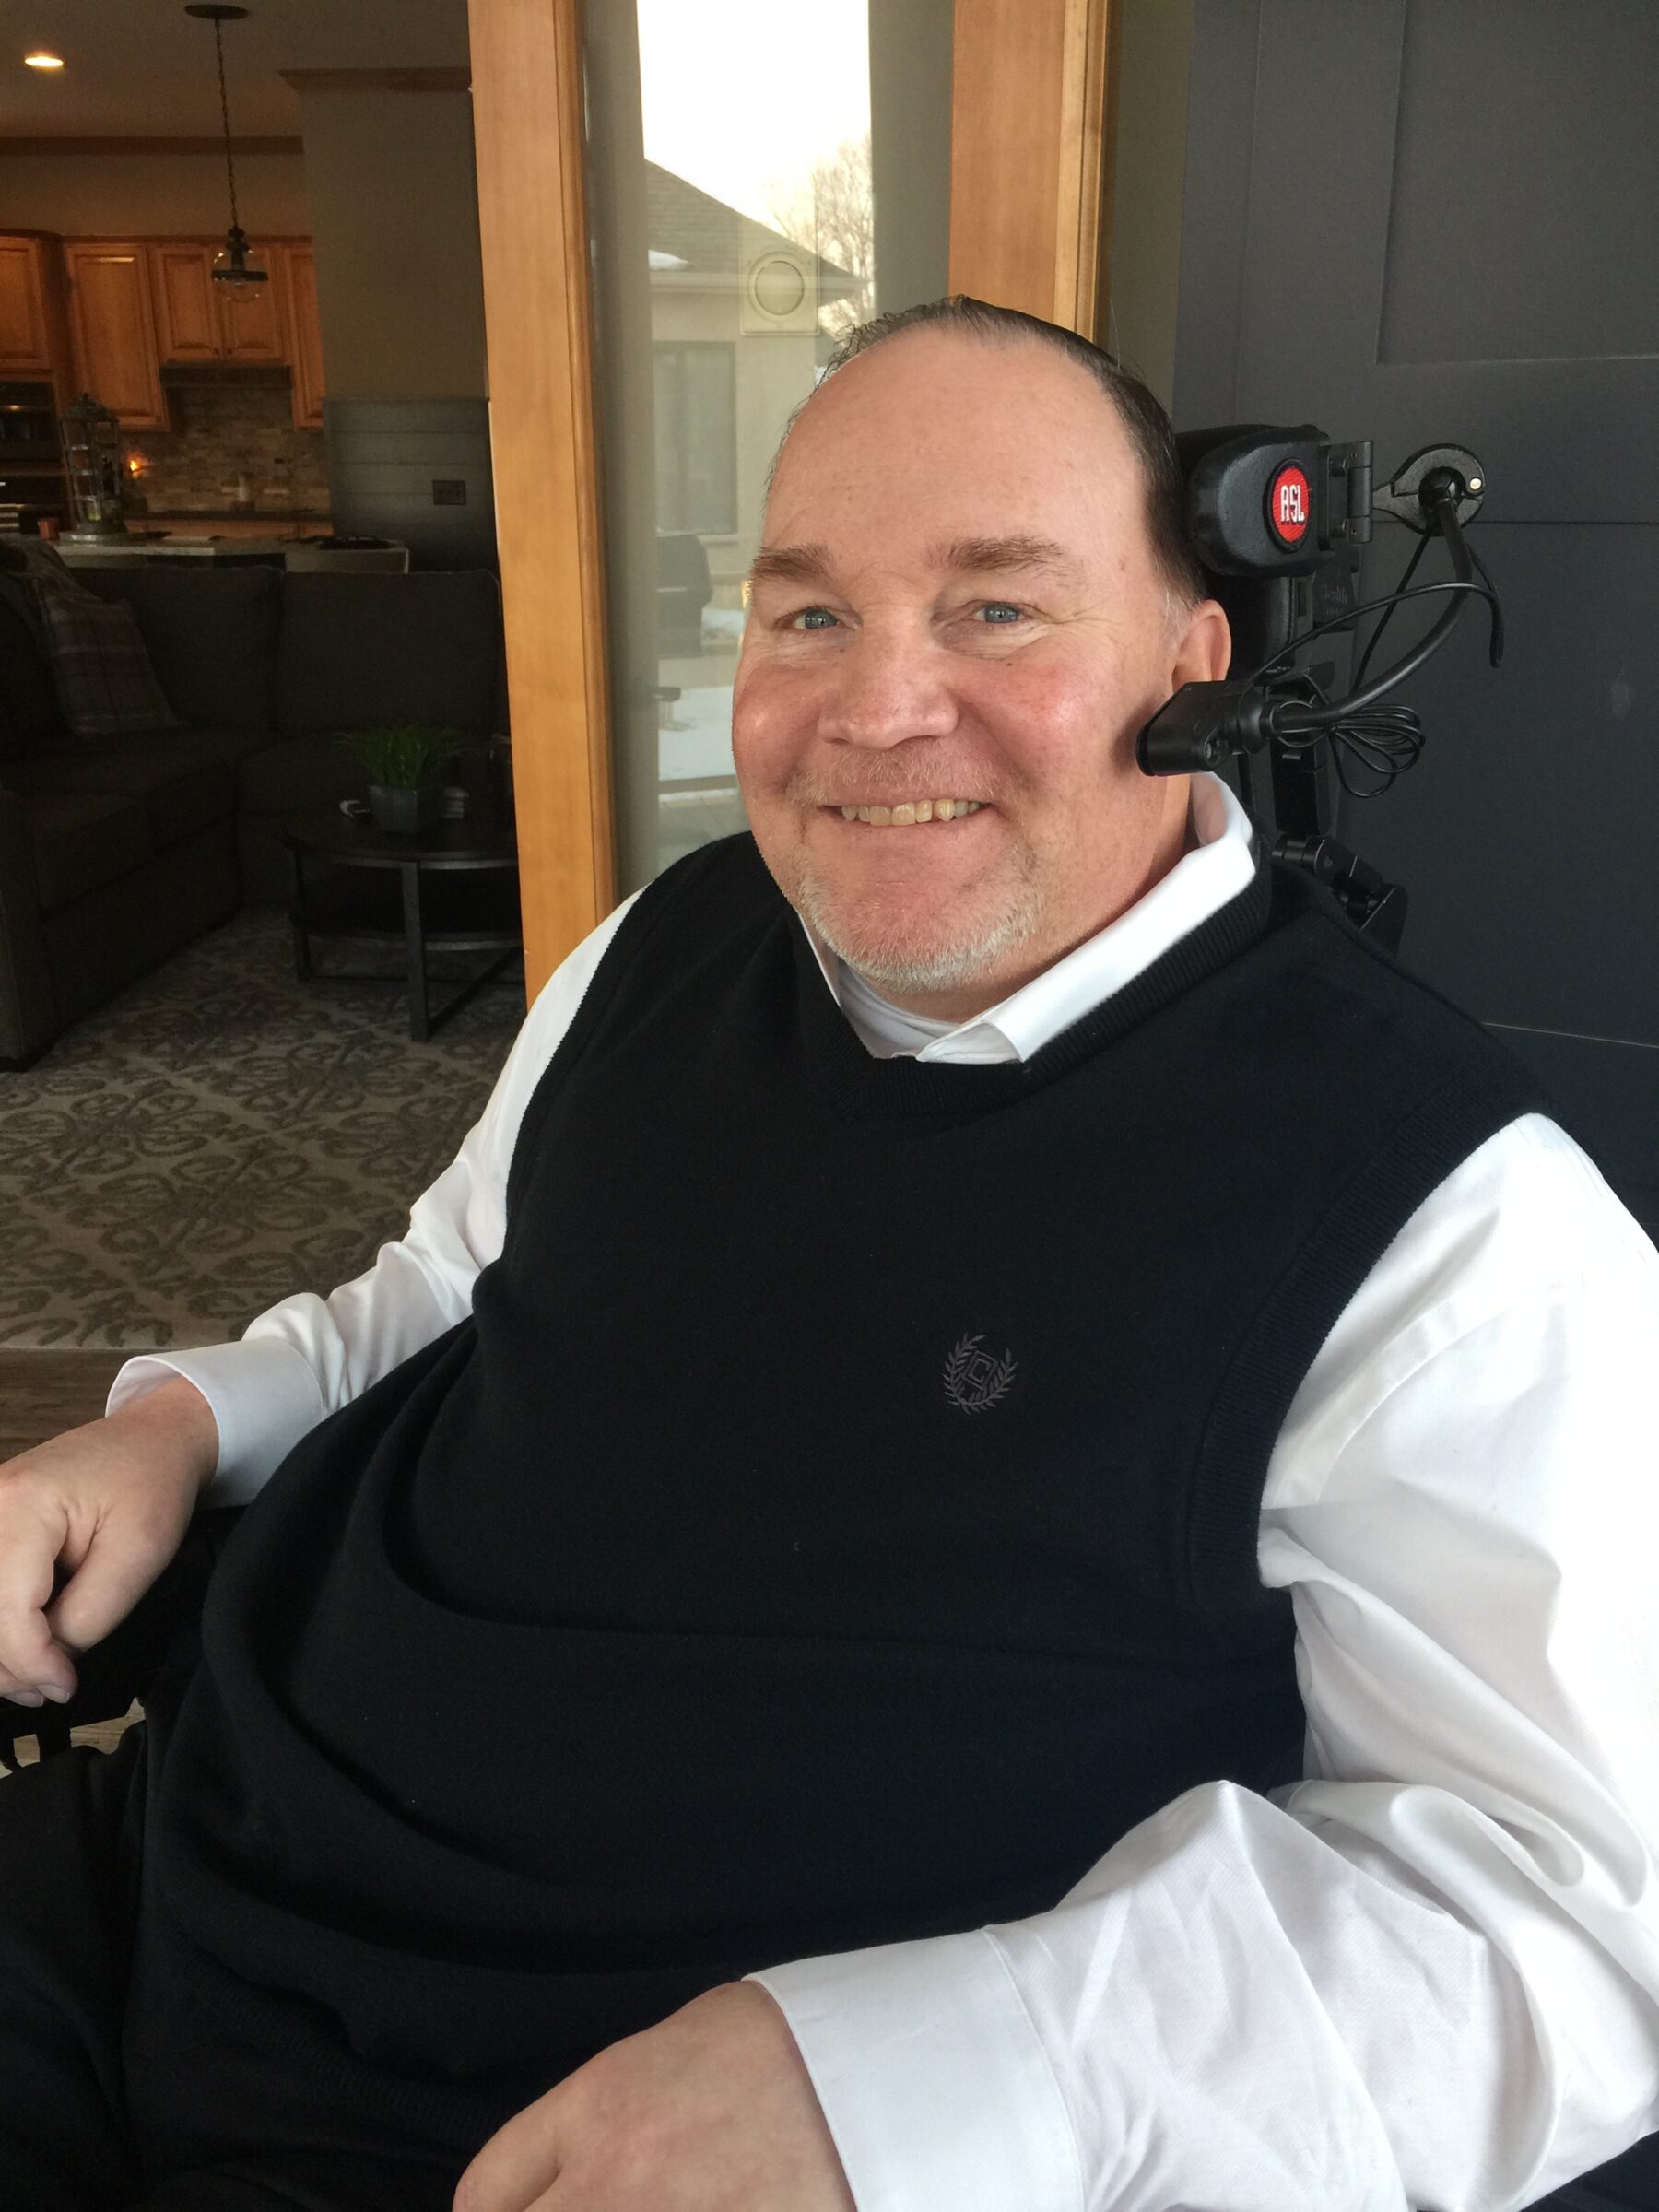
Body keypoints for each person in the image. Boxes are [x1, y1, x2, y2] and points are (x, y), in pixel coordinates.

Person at [2, 297, 1657, 2212]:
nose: (876, 711)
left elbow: (1571, 1904)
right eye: (807, 614)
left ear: (1196, 655)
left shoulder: (1441, 1214)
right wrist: (187, 1421)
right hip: (169, 1861)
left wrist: (916, 2092)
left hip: (554, 2126)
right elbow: (451, 1291)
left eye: (997, 608)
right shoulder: (675, 935)